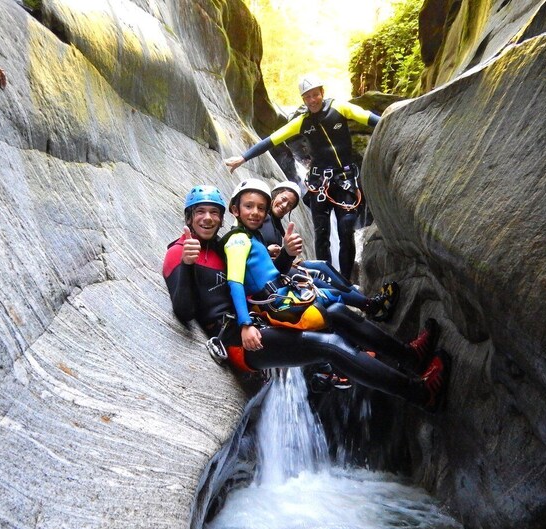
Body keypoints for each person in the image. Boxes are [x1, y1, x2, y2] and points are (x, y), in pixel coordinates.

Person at [163, 184, 450, 410]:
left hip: (256, 322)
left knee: (336, 311)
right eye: (200, 212)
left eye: (214, 212)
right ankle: (420, 394)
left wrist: (286, 254)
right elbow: (184, 310)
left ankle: (410, 356)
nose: (208, 218)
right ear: (189, 216)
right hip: (238, 339)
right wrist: (188, 266)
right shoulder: (180, 251)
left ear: (223, 216)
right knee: (330, 345)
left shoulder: (220, 246)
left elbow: (257, 280)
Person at [224, 75, 380, 280]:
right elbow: (271, 141)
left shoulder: (340, 109)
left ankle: (346, 280)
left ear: (322, 93)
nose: (313, 100)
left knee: (346, 228)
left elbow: (369, 118)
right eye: (308, 97)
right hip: (319, 183)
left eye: (315, 94)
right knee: (322, 234)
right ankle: (328, 279)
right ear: (303, 100)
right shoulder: (301, 122)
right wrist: (243, 158)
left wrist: (396, 121)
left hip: (344, 178)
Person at [260, 180, 399, 322]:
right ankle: (371, 306)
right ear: (274, 195)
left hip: (281, 265)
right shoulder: (260, 217)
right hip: (272, 271)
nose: (284, 206)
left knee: (323, 265)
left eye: (290, 205)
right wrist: (268, 250)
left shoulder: (276, 223)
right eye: (283, 200)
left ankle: (361, 298)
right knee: (317, 277)